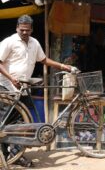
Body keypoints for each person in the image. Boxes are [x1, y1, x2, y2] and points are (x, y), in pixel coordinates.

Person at [0, 15, 73, 166]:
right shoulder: (9, 42)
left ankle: (16, 156)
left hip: (23, 88)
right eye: (22, 30)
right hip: (7, 86)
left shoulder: (34, 43)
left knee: (24, 124)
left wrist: (62, 66)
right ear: (17, 28)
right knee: (5, 124)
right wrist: (11, 78)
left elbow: (43, 60)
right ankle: (4, 156)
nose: (25, 33)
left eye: (27, 30)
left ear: (32, 29)